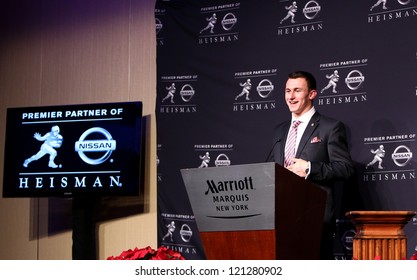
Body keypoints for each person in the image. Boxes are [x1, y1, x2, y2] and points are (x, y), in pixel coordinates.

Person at [267, 70, 355, 259]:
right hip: (280, 217)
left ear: (312, 94)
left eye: (297, 90)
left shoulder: (330, 127)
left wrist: (309, 168)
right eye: (287, 91)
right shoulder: (279, 130)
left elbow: (345, 168)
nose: (290, 96)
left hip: (314, 218)